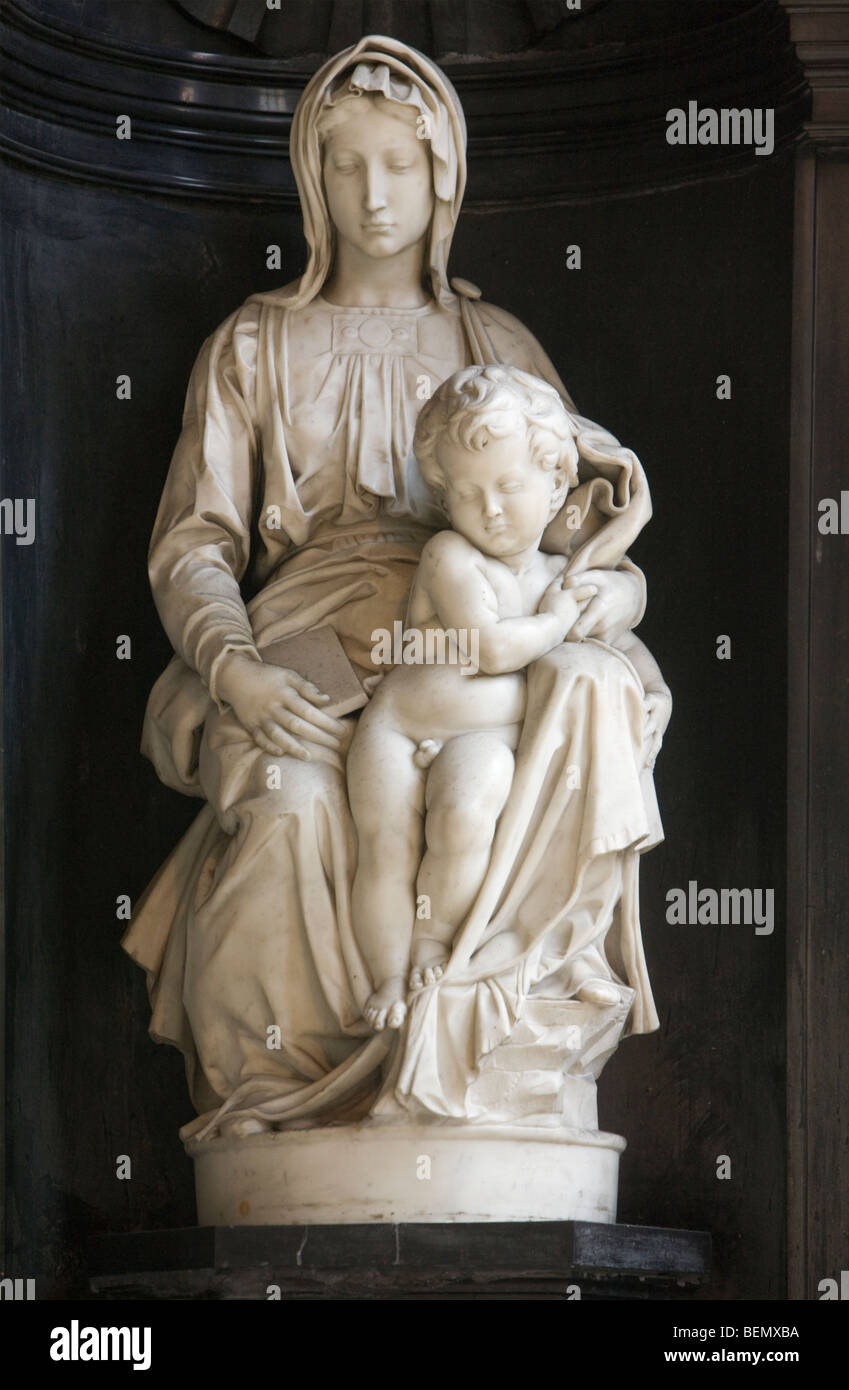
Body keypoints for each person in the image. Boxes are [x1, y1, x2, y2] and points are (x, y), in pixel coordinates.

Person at [122, 36, 658, 1139]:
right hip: (305, 639)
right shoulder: (254, 346)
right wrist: (234, 669)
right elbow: (195, 545)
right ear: (313, 182)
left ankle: (467, 1048)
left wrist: (614, 594)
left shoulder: (490, 339)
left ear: (444, 176)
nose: (375, 196)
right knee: (289, 800)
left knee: (564, 718)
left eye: (400, 166)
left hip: (467, 636)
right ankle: (283, 1090)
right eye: (349, 167)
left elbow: (578, 513)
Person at [349, 365, 670, 1032]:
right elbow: (488, 650)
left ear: (557, 486)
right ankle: (387, 974)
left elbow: (621, 657)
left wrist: (656, 695)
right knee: (384, 847)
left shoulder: (565, 576)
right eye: (465, 493)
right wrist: (555, 622)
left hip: (482, 739)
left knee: (468, 814)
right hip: (401, 732)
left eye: (508, 487)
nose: (488, 509)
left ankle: (444, 944)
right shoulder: (450, 558)